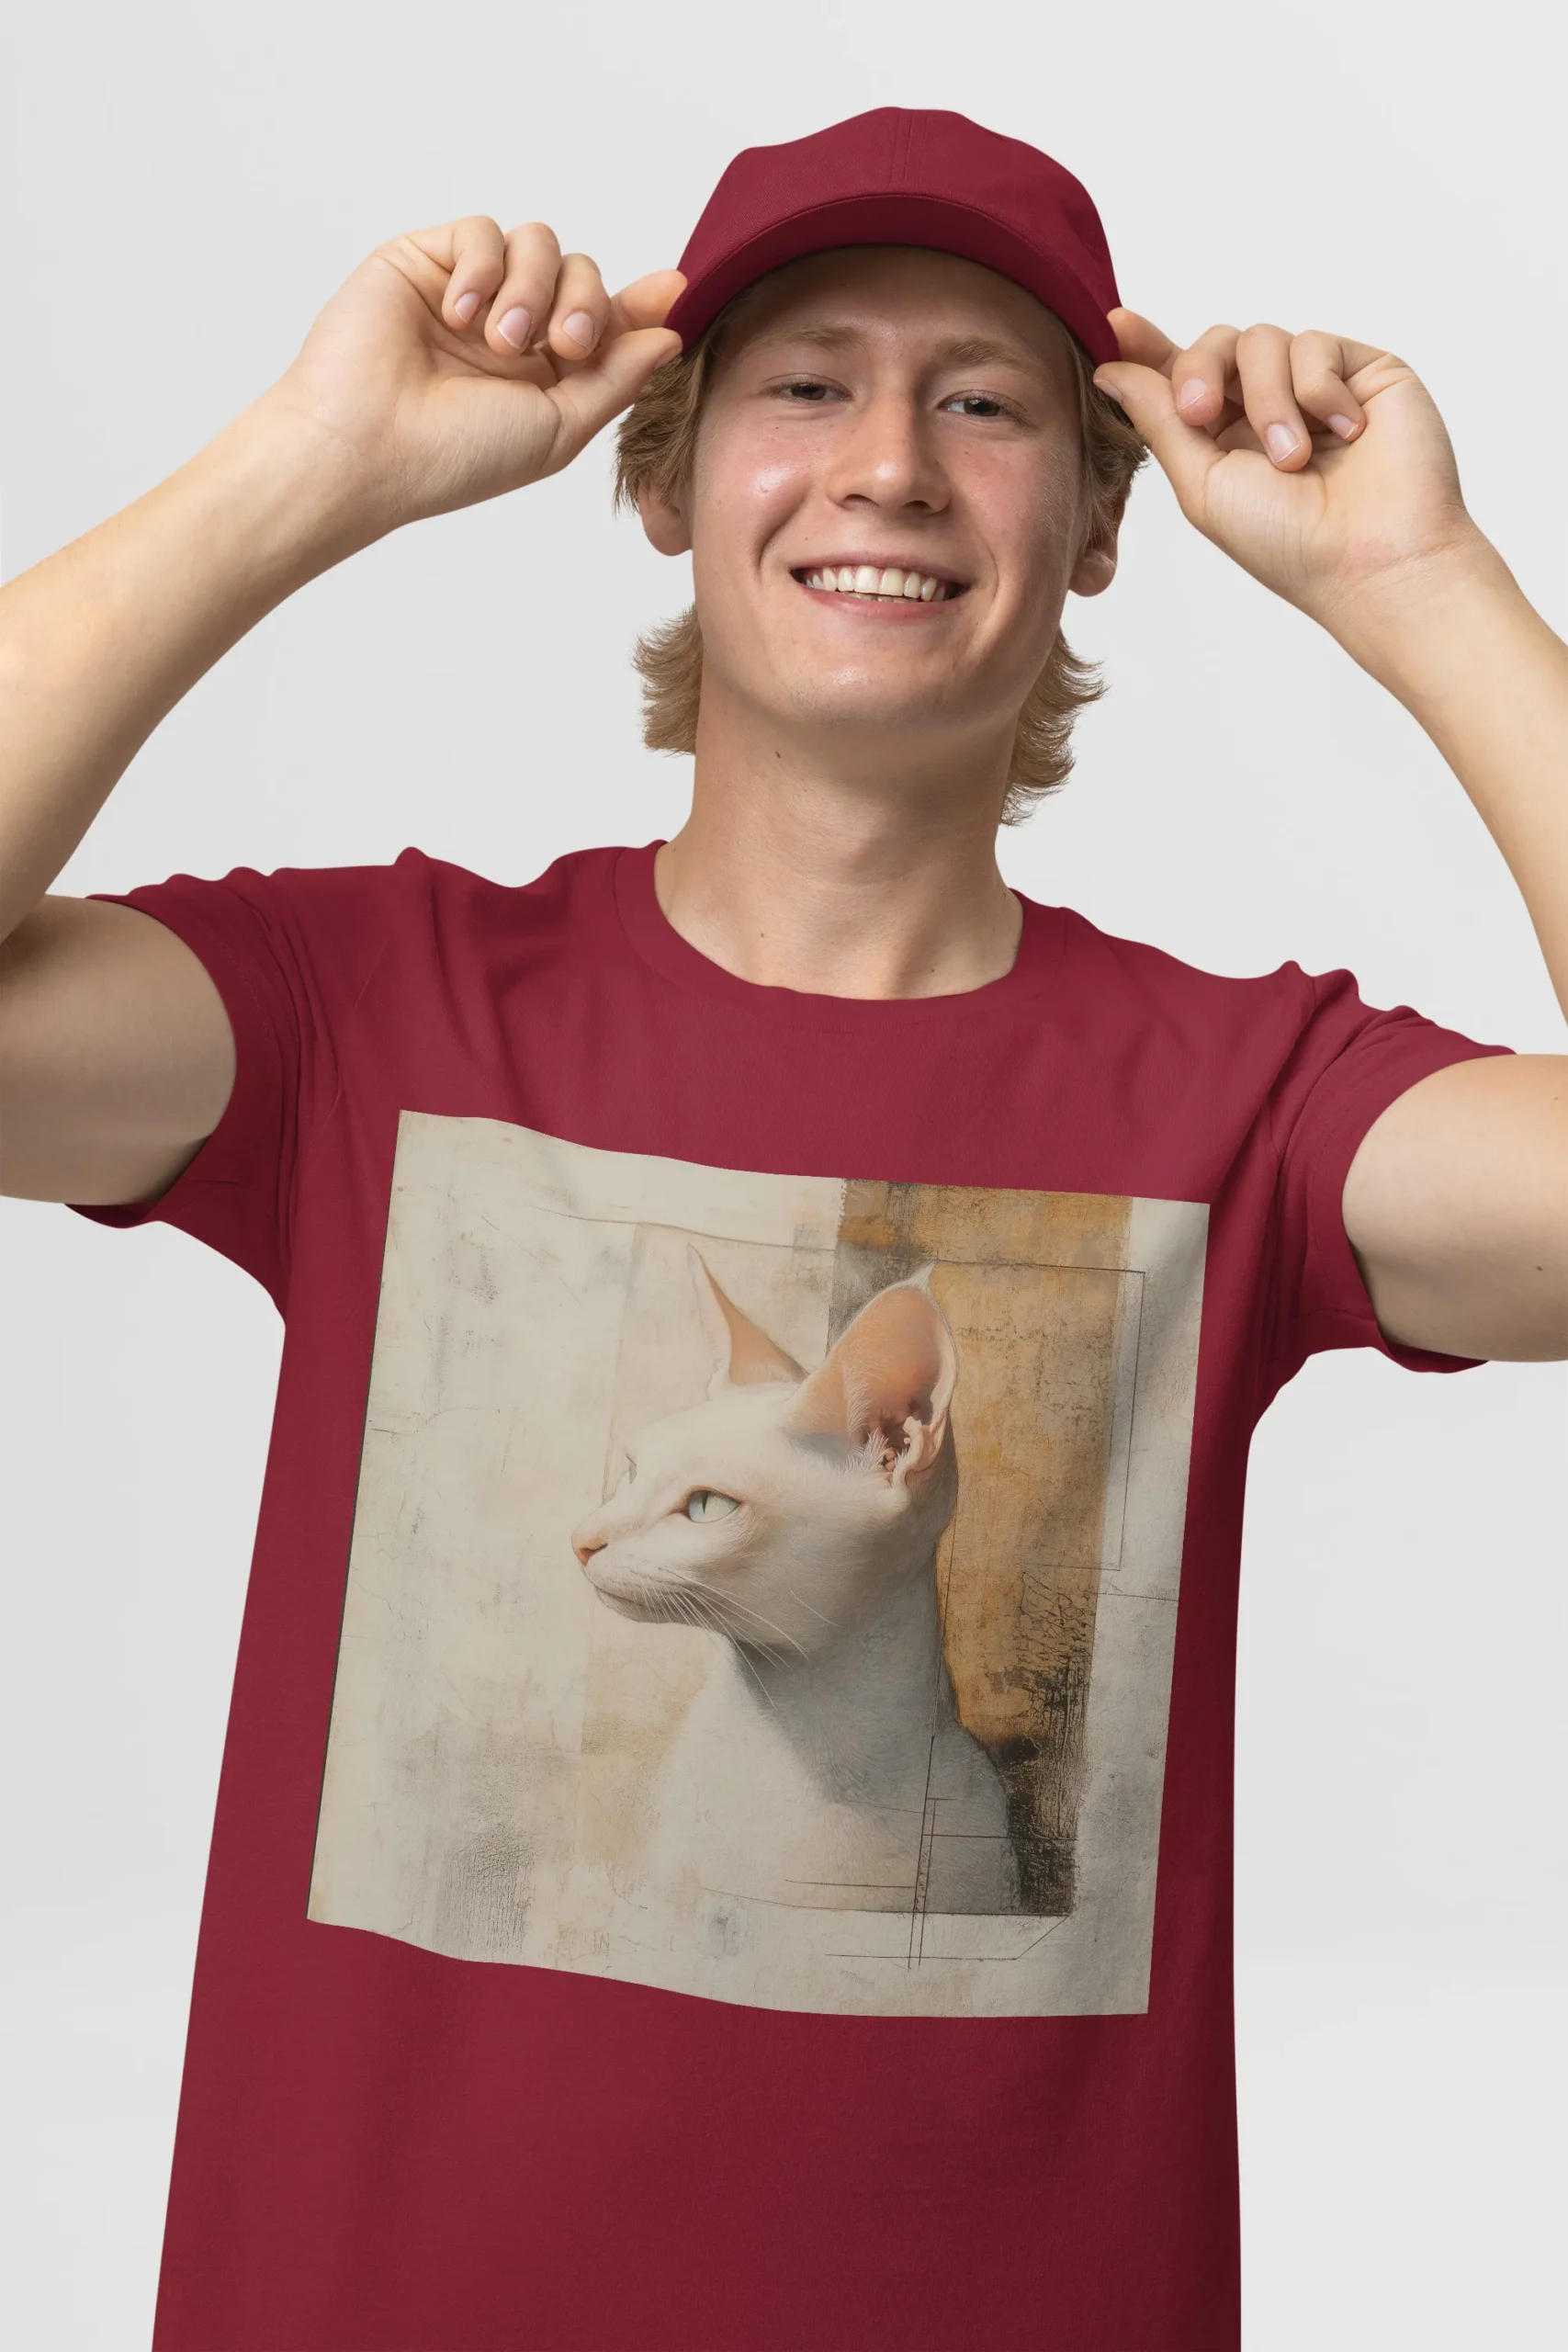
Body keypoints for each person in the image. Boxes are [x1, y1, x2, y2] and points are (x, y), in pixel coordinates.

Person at [0, 102, 1562, 2352]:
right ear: (663, 479)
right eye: (808, 383)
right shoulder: (367, 1013)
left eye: (986, 403)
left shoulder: (1250, 1103)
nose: (891, 464)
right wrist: (305, 466)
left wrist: (1423, 585)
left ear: (1097, 521)